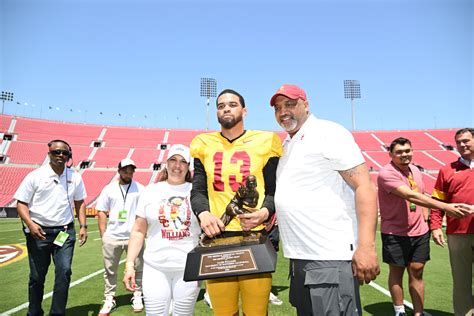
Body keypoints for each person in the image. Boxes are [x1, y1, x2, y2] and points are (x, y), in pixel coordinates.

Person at [269, 84, 380, 315]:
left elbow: (364, 187)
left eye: (290, 104)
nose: (283, 112)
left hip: (329, 256)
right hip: (300, 256)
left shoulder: (328, 132)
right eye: (278, 107)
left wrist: (367, 247)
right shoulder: (288, 143)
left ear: (306, 105)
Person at [190, 89, 282, 315]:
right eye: (221, 106)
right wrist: (203, 214)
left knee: (256, 312)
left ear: (244, 110)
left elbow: (274, 190)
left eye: (232, 104)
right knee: (223, 312)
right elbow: (198, 190)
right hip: (218, 238)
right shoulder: (203, 143)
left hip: (255, 236)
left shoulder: (266, 141)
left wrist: (264, 212)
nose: (226, 109)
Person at [377, 137, 470, 316]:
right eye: (399, 152)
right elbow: (412, 197)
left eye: (407, 151)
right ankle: (399, 310)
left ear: (412, 151)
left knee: (417, 271)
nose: (404, 155)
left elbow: (422, 196)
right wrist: (446, 207)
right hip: (395, 232)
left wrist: (427, 222)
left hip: (419, 231)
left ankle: (418, 313)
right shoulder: (386, 173)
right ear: (390, 154)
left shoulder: (415, 170)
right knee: (397, 272)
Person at [123, 144, 201, 315]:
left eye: (183, 161)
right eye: (173, 160)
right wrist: (129, 265)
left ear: (189, 167)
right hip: (155, 267)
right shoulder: (151, 191)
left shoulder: (196, 192)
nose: (177, 165)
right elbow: (138, 231)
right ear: (166, 163)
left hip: (188, 267)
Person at [14, 139, 87, 316]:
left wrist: (83, 225)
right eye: (56, 152)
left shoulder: (75, 176)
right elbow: (21, 203)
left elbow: (80, 202)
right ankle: (34, 312)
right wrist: (30, 224)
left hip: (64, 232)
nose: (61, 155)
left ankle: (57, 313)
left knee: (64, 272)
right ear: (49, 154)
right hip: (39, 232)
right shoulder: (35, 176)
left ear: (69, 156)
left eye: (65, 153)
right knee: (37, 276)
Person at [430, 128, 474, 315]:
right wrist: (435, 226)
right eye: (458, 142)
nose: (462, 145)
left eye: (466, 140)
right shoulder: (446, 170)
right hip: (457, 234)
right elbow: (437, 202)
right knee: (461, 281)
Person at [96, 158, 145, 315]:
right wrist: (103, 235)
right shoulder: (108, 189)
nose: (128, 173)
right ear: (119, 171)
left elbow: (145, 212)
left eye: (131, 170)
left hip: (134, 237)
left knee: (139, 268)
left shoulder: (141, 188)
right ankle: (110, 297)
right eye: (125, 170)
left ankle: (137, 294)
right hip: (113, 236)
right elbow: (102, 211)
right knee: (110, 270)